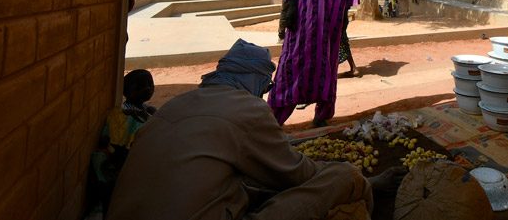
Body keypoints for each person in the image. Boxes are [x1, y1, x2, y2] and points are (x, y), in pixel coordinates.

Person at [106, 40, 404, 220]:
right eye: (265, 87)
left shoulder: (175, 104)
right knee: (344, 176)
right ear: (255, 81)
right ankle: (367, 189)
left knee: (245, 183)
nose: (264, 94)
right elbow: (297, 174)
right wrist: (360, 179)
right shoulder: (248, 109)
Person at [89, 69, 156, 214]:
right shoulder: (122, 116)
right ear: (127, 91)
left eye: (150, 84)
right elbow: (117, 143)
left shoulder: (146, 111)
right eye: (140, 86)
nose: (148, 89)